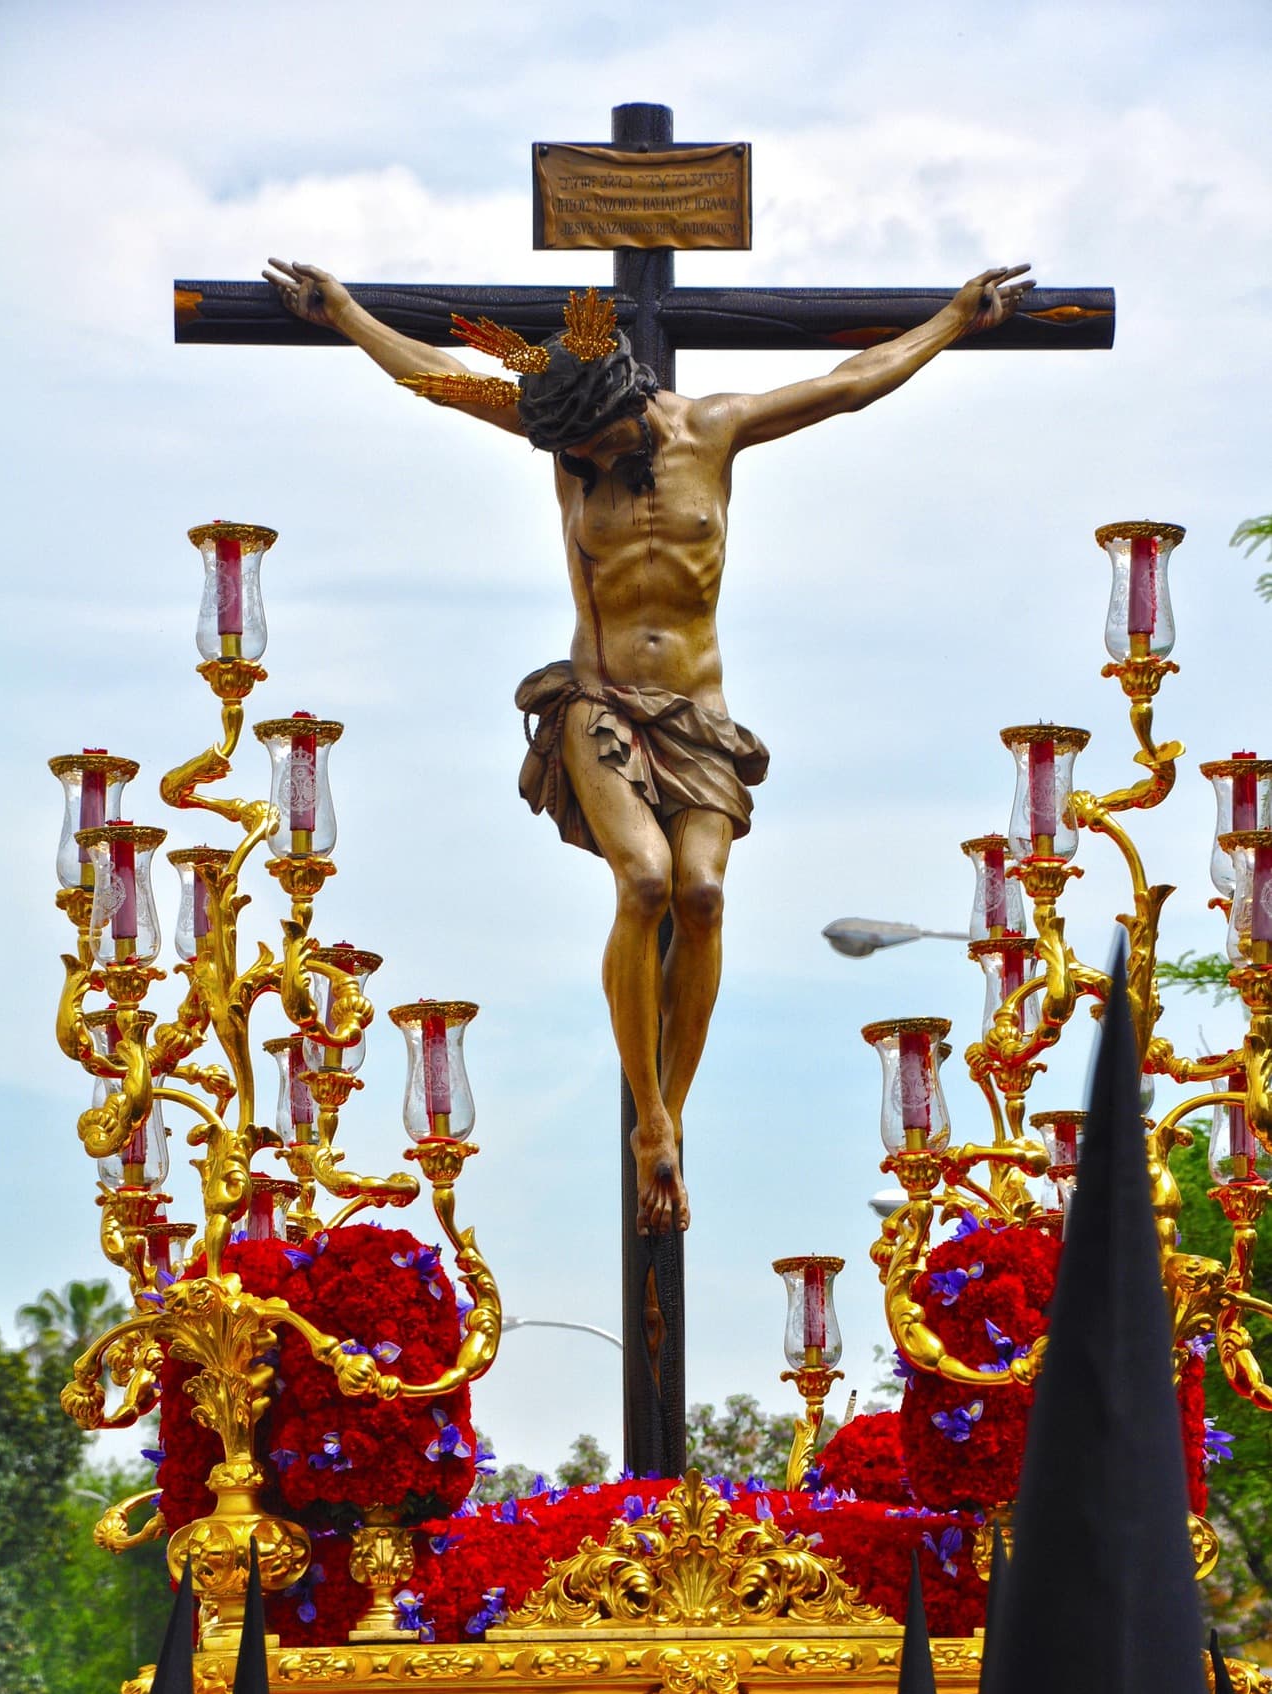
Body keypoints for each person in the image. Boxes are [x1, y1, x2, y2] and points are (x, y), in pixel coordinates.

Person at [263, 257, 1033, 1235]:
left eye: (595, 441)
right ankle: (651, 1125)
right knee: (645, 882)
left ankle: (679, 1104)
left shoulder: (713, 431)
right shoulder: (566, 446)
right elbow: (434, 376)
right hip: (601, 702)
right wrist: (346, 313)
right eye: (569, 450)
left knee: (704, 894)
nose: (583, 459)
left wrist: (954, 320)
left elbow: (850, 383)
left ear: (631, 400)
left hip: (700, 714)